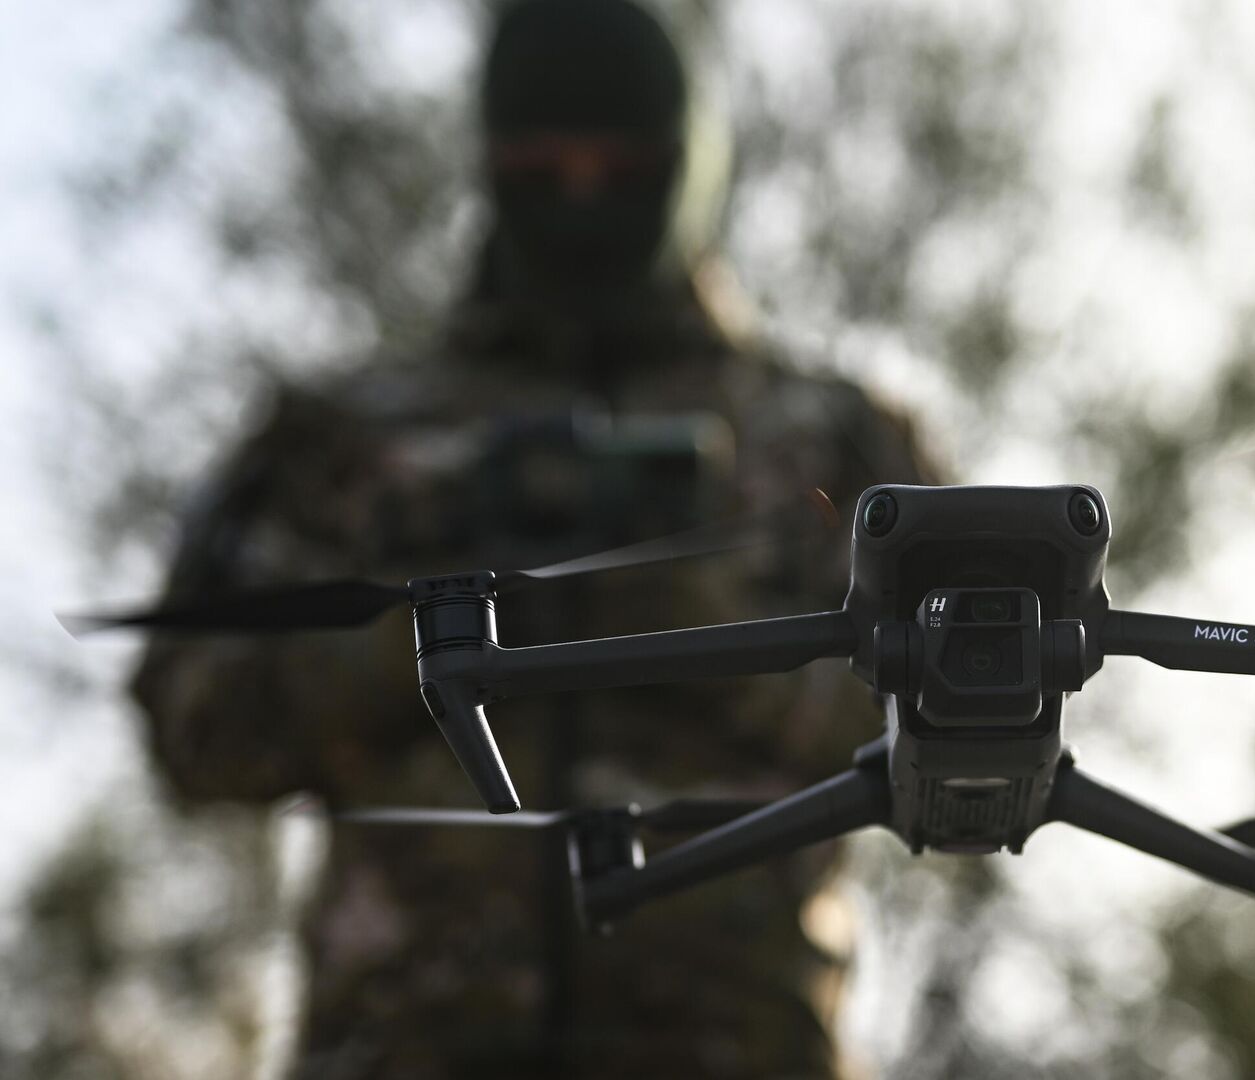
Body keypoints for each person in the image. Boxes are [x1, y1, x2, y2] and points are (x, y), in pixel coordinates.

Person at [131, 1, 934, 1076]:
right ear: (491, 162)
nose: (583, 195)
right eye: (542, 166)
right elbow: (190, 724)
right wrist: (409, 640)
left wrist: (713, 637)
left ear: (688, 163)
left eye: (623, 167)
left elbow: (963, 719)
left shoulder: (837, 445)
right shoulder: (343, 440)